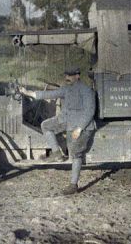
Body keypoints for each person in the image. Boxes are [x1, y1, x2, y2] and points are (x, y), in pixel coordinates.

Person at [19, 66, 95, 195]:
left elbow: (90, 112)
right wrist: (28, 92)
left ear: (77, 76)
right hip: (66, 121)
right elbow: (49, 94)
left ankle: (73, 185)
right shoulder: (66, 89)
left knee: (76, 154)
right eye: (66, 75)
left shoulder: (86, 91)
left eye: (70, 75)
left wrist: (79, 128)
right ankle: (56, 153)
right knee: (46, 125)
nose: (67, 78)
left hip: (80, 126)